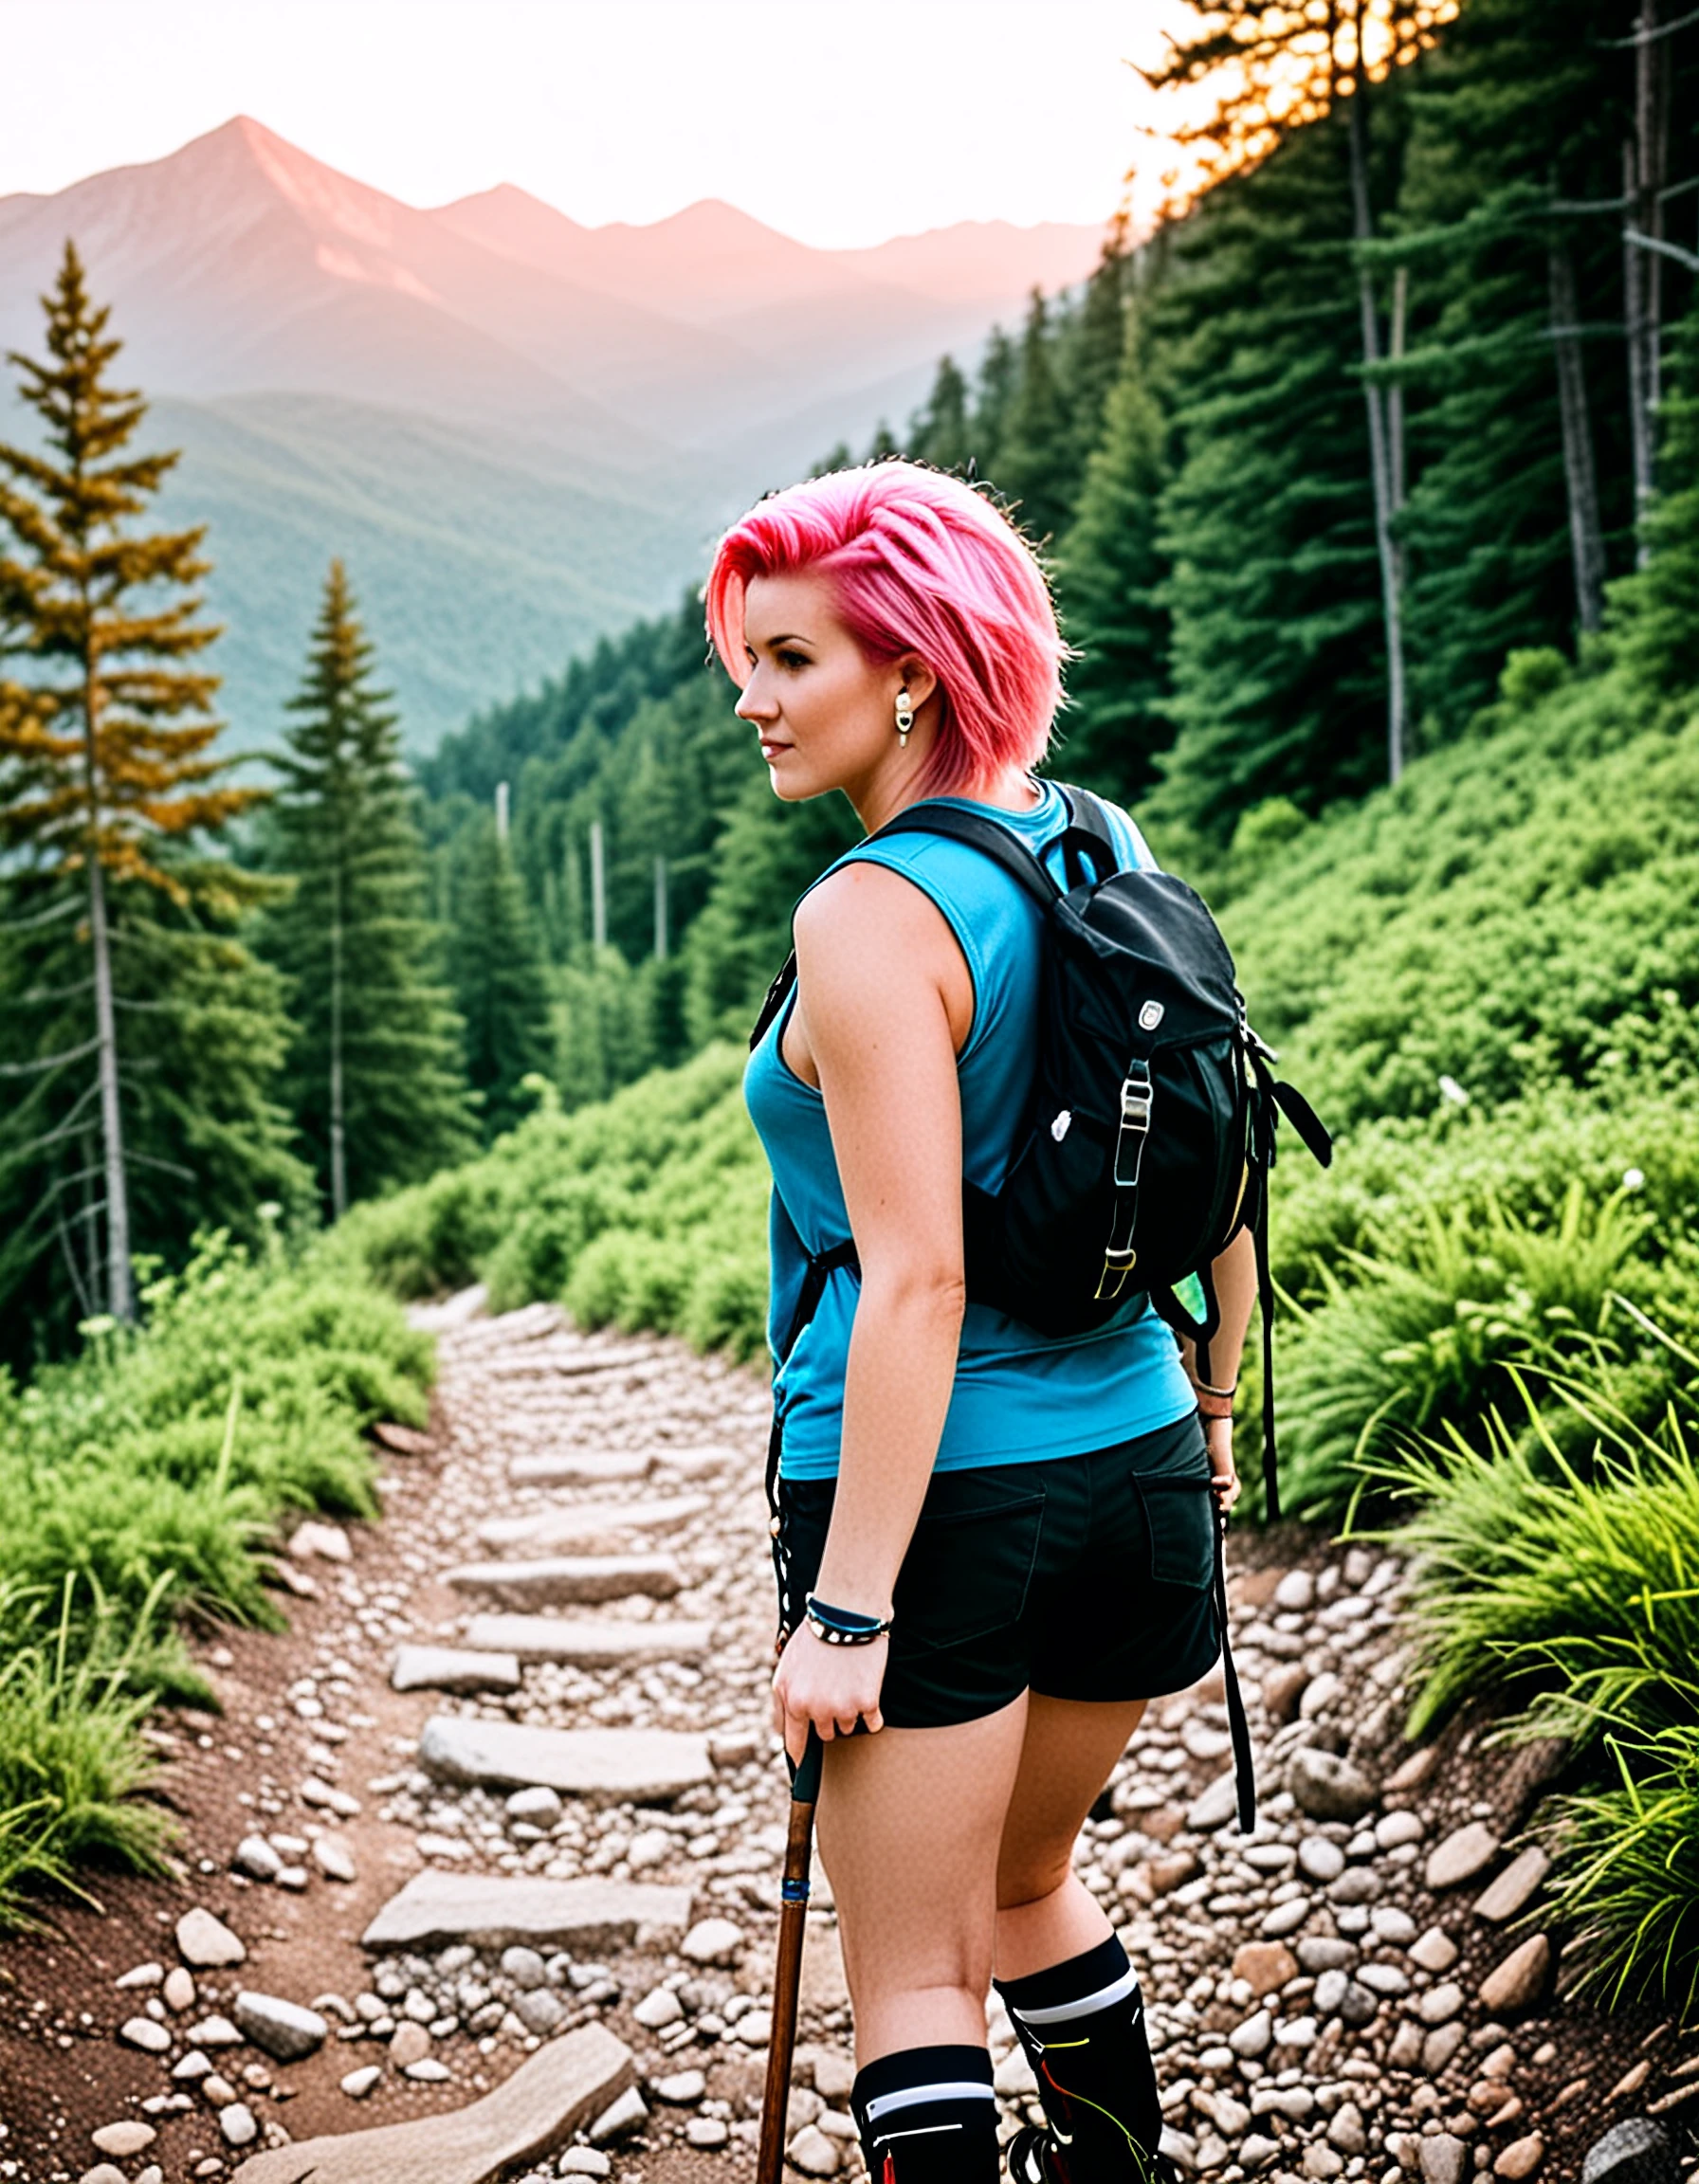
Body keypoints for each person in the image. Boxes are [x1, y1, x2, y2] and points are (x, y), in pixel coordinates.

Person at [706, 462, 1257, 2184]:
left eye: (791, 658)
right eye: (747, 657)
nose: (752, 698)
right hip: (1139, 1471)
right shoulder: (1102, 842)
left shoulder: (868, 915)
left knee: (915, 1980)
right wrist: (1216, 1415)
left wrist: (847, 1612)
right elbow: (1220, 1154)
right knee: (1028, 1887)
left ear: (912, 673)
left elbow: (920, 1281)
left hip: (942, 1513)